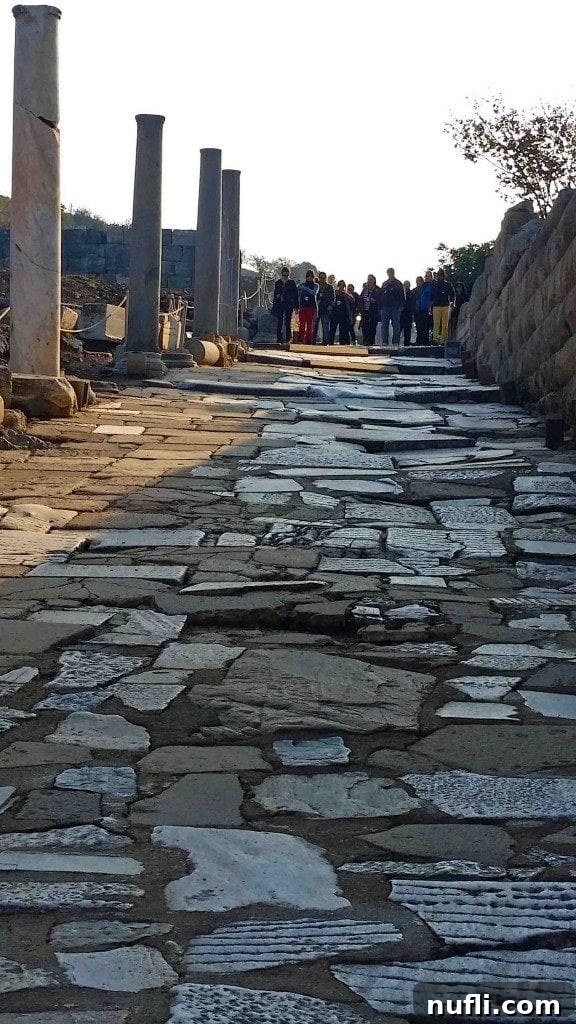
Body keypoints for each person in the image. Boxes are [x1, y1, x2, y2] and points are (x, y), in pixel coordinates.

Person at [272, 266, 299, 345]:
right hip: (280, 304)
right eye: (284, 275)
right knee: (279, 322)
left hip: (288, 304)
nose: (285, 277)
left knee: (288, 321)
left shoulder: (292, 282)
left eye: (287, 275)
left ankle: (288, 338)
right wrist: (278, 298)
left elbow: (295, 294)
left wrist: (296, 306)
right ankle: (279, 338)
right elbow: (275, 294)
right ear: (282, 274)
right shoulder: (278, 283)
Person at [379, 268, 405, 346]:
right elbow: (381, 296)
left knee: (396, 325)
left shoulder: (398, 283)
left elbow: (402, 296)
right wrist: (380, 307)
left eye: (391, 272)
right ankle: (385, 341)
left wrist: (401, 306)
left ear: (394, 273)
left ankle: (396, 341)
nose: (390, 273)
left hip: (395, 307)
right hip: (385, 307)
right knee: (384, 325)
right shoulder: (384, 284)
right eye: (389, 272)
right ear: (387, 273)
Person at [430, 268, 455, 343]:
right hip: (436, 306)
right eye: (438, 275)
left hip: (446, 306)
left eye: (441, 275)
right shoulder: (434, 285)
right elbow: (431, 297)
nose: (440, 277)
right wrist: (430, 307)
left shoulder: (448, 284)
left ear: (444, 276)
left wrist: (453, 303)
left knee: (445, 325)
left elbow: (453, 295)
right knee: (436, 324)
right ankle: (435, 339)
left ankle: (443, 340)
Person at [297, 270, 319, 344]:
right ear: (306, 277)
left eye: (311, 276)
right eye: (308, 276)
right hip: (303, 306)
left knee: (310, 324)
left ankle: (308, 340)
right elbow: (297, 291)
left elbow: (314, 293)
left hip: (312, 307)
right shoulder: (302, 284)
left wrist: (304, 288)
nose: (309, 277)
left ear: (313, 277)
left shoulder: (316, 285)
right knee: (302, 323)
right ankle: (301, 339)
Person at [313, 271, 335, 343]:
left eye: (323, 278)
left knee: (325, 327)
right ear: (318, 278)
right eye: (320, 277)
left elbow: (333, 298)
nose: (322, 279)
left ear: (326, 278)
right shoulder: (315, 285)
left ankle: (325, 342)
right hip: (316, 309)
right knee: (314, 326)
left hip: (325, 310)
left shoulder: (329, 287)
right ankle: (312, 341)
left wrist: (330, 306)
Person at [359, 274, 381, 344]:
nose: (369, 281)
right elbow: (361, 298)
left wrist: (375, 301)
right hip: (365, 311)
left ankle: (371, 342)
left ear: (374, 280)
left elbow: (380, 299)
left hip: (373, 311)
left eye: (371, 279)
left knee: (372, 327)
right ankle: (365, 341)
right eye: (368, 279)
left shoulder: (377, 289)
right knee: (364, 326)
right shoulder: (365, 289)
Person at [329, 280, 353, 344]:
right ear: (338, 285)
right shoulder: (334, 293)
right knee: (332, 329)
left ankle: (342, 343)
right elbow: (330, 301)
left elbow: (352, 300)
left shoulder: (346, 295)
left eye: (343, 285)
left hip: (343, 315)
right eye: (340, 285)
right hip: (335, 314)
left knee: (343, 330)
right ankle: (330, 342)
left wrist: (346, 294)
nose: (341, 286)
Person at [412, 275, 429, 345]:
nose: (418, 282)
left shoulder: (425, 289)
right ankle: (418, 341)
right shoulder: (414, 290)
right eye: (416, 281)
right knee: (418, 326)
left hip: (424, 309)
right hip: (417, 310)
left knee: (424, 326)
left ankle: (425, 341)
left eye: (419, 281)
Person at [400, 280, 413, 346]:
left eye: (408, 284)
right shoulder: (400, 293)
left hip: (408, 314)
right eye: (405, 284)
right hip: (401, 314)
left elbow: (412, 304)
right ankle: (395, 343)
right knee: (398, 329)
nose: (406, 286)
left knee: (407, 330)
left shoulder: (412, 293)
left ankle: (407, 344)